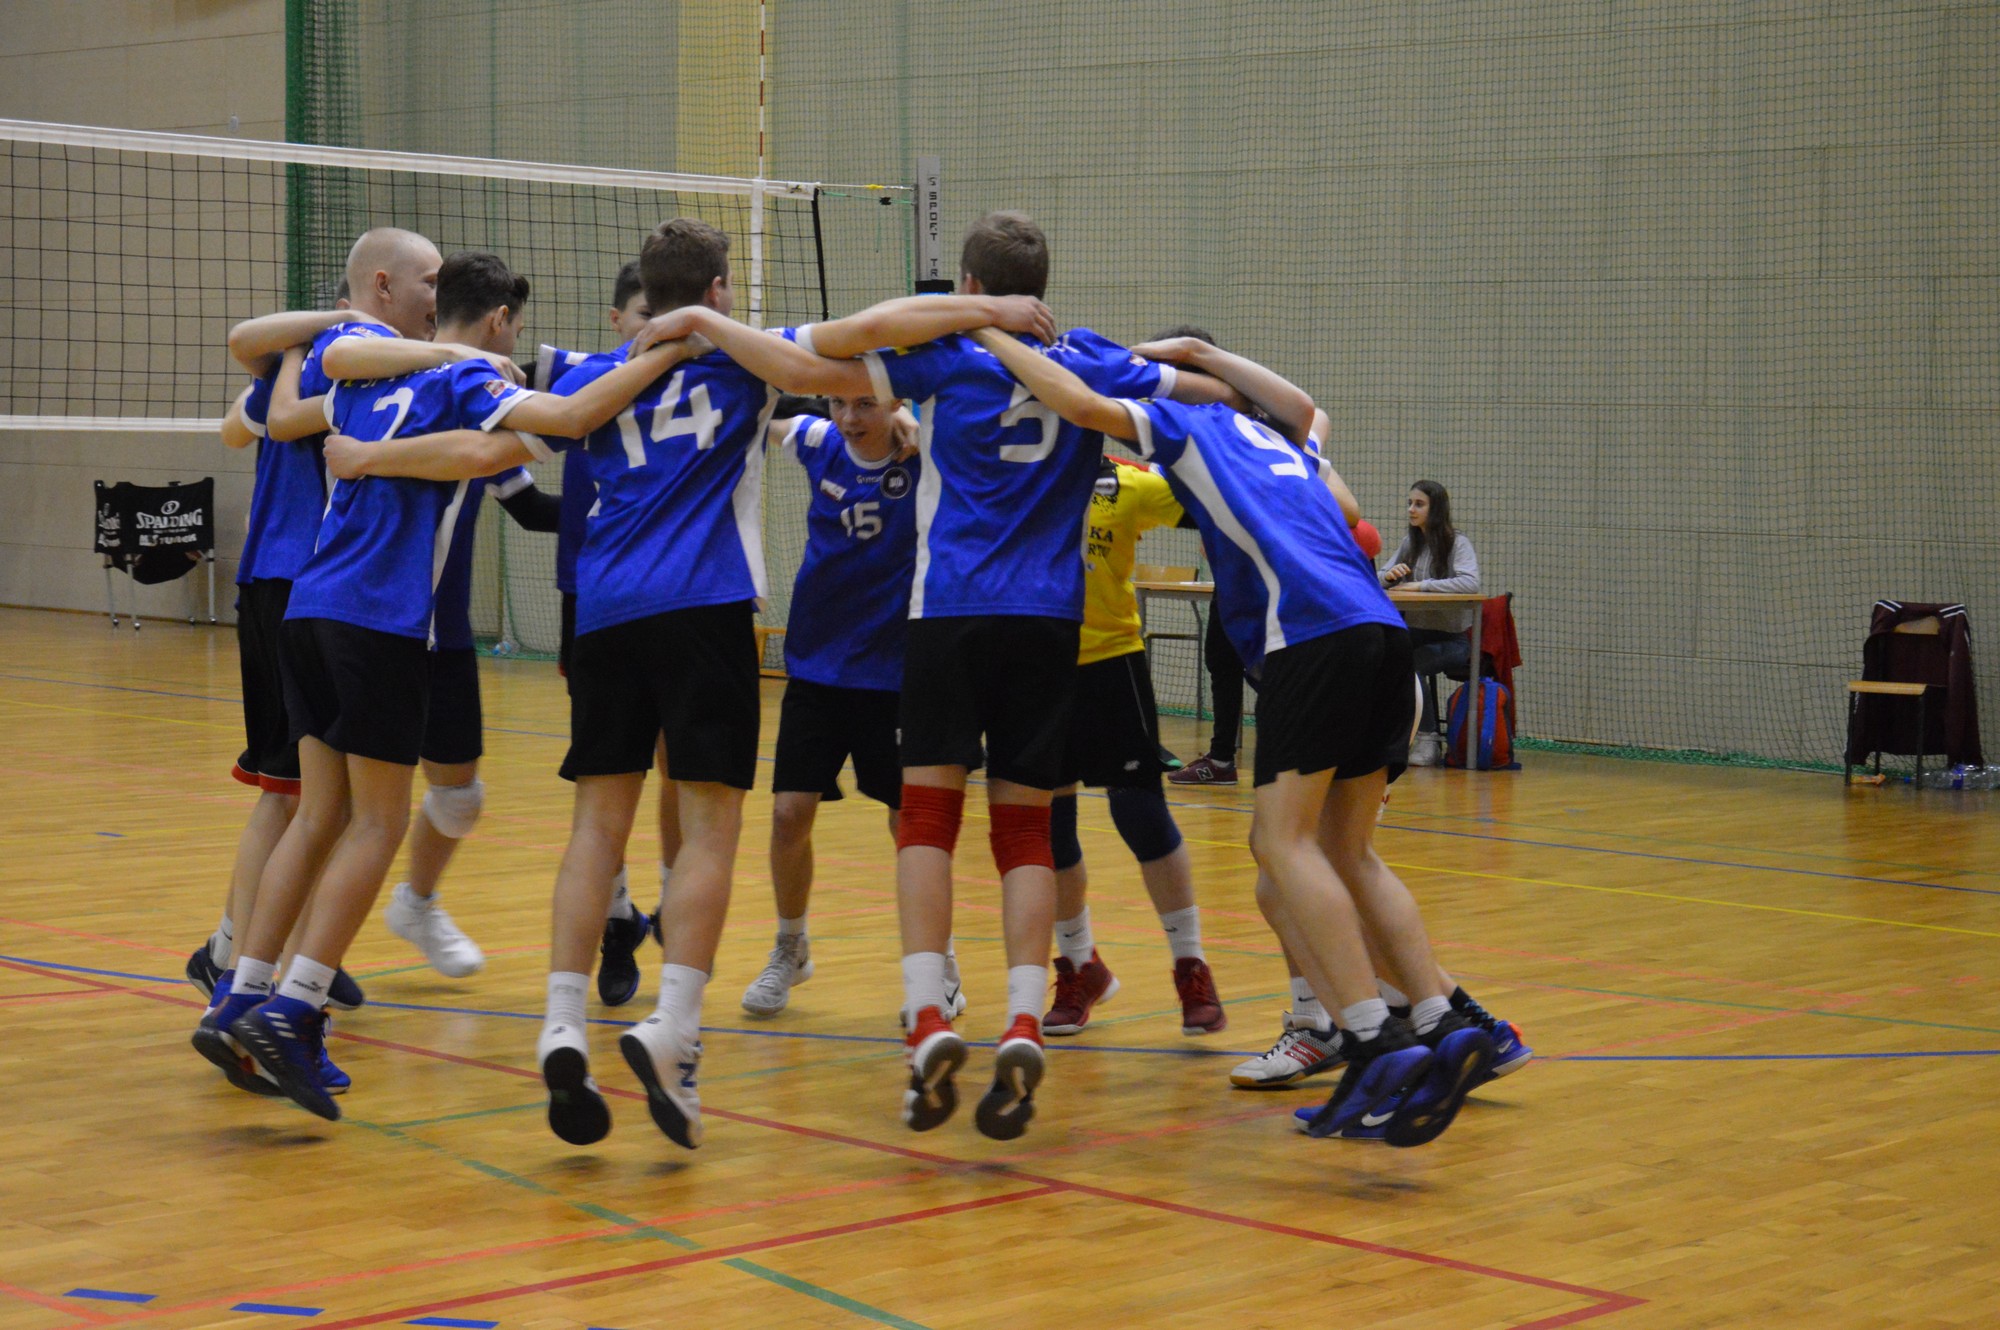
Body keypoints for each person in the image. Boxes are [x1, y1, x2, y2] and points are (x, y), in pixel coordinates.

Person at [625, 211, 1232, 1142]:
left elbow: (808, 367)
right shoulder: (1089, 361)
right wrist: (1162, 355)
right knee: (1027, 829)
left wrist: (707, 325)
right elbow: (1208, 393)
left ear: (969, 285)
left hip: (948, 611)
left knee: (928, 821)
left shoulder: (946, 356)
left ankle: (927, 1018)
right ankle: (1023, 1018)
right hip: (1049, 620)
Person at [966, 324, 1495, 1147]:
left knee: (1280, 845)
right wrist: (1204, 354)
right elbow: (1308, 411)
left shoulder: (1189, 425)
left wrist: (987, 328)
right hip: (1380, 633)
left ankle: (1369, 1038)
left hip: (1310, 634)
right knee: (1347, 851)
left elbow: (1076, 401)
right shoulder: (1279, 438)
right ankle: (1438, 1019)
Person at [213, 246, 690, 1122]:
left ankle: (242, 995)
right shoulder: (467, 379)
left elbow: (316, 391)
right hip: (381, 621)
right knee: (377, 822)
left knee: (319, 814)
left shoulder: (361, 366)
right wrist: (668, 350)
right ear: (500, 322)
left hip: (308, 610)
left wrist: (375, 452)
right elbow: (562, 418)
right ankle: (294, 1008)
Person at [738, 394, 972, 1020]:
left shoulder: (926, 454)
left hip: (896, 672)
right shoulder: (818, 442)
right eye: (839, 403)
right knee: (788, 814)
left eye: (865, 404)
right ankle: (791, 946)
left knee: (910, 825)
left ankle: (942, 966)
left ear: (894, 400)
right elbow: (759, 417)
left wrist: (916, 421)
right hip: (817, 664)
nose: (849, 418)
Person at [1044, 451, 1224, 1037]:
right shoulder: (1012, 472)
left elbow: (1216, 503)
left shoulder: (1127, 483)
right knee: (1048, 828)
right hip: (1035, 664)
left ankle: (1191, 965)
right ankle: (1080, 966)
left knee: (1140, 813)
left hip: (1110, 664)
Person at [535, 260, 674, 1008]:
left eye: (666, 310)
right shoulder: (583, 377)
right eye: (643, 312)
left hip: (685, 598)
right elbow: (484, 364)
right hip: (591, 597)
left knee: (681, 770)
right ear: (616, 319)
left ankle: (676, 904)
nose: (656, 324)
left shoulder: (709, 373)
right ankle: (617, 919)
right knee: (606, 777)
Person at [1380, 480, 1480, 766]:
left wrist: (1421, 586)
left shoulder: (1458, 543)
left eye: (1419, 504)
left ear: (1436, 509)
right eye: (1409, 503)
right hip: (1415, 633)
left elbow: (1470, 582)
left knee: (1410, 666)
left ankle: (1428, 739)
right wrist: (1389, 577)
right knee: (1380, 657)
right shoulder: (1410, 543)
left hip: (1453, 640)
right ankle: (1385, 735)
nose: (1411, 509)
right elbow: (1378, 576)